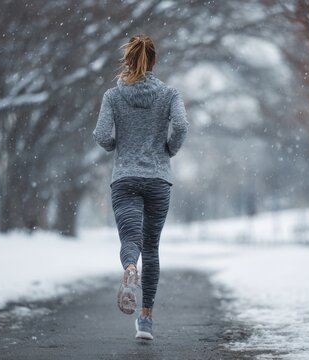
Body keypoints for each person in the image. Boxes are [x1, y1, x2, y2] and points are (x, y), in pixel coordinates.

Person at [92, 35, 189, 341]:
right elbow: (183, 125)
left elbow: (101, 135)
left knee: (130, 239)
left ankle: (129, 267)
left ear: (128, 61)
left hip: (125, 178)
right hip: (158, 180)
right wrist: (169, 150)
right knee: (152, 247)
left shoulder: (112, 96)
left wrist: (116, 145)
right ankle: (145, 319)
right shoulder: (169, 94)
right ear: (154, 62)